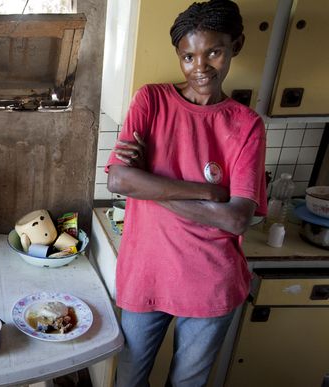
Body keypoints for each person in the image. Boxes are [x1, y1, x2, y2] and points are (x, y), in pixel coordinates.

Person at [105, 1, 268, 386]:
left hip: (211, 284)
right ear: (178, 56)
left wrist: (148, 183)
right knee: (128, 380)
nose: (201, 67)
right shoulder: (151, 100)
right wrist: (208, 192)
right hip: (147, 274)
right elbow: (118, 181)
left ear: (236, 45)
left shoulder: (246, 126)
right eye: (189, 56)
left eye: (214, 51)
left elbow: (236, 217)